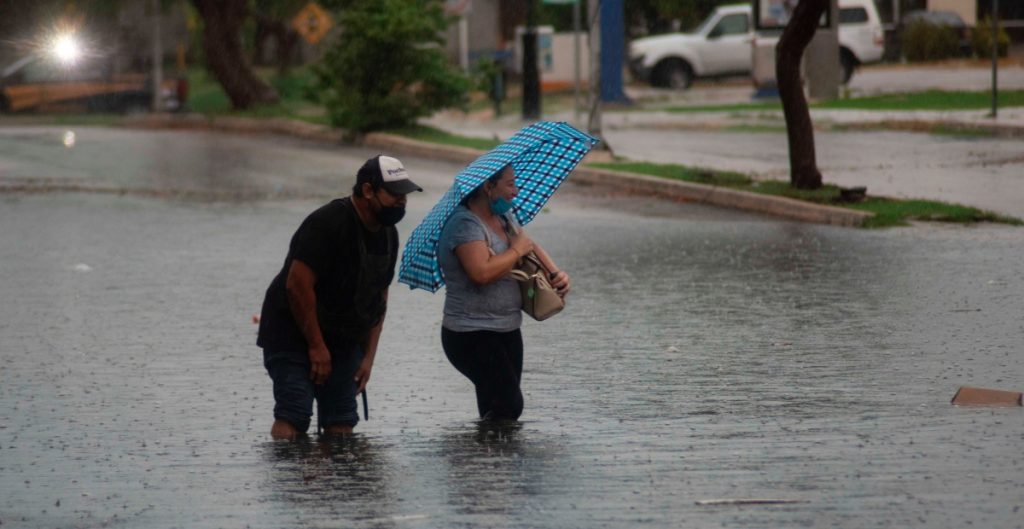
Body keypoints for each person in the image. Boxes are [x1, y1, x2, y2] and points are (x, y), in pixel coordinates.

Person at [257, 155, 422, 439]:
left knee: (342, 421)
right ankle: (288, 467)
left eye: (405, 195)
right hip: (291, 331)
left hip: (344, 336)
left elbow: (379, 299)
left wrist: (368, 357)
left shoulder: (388, 235)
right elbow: (297, 286)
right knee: (294, 412)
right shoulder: (327, 223)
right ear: (368, 190)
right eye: (394, 194)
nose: (402, 202)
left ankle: (337, 470)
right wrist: (316, 347)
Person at [437, 165, 570, 422]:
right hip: (470, 333)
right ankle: (482, 446)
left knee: (498, 409)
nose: (515, 191)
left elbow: (528, 244)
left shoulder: (504, 216)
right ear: (488, 187)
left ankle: (485, 448)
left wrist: (555, 273)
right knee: (510, 404)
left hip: (507, 329)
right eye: (509, 184)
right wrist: (516, 251)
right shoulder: (464, 224)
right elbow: (481, 273)